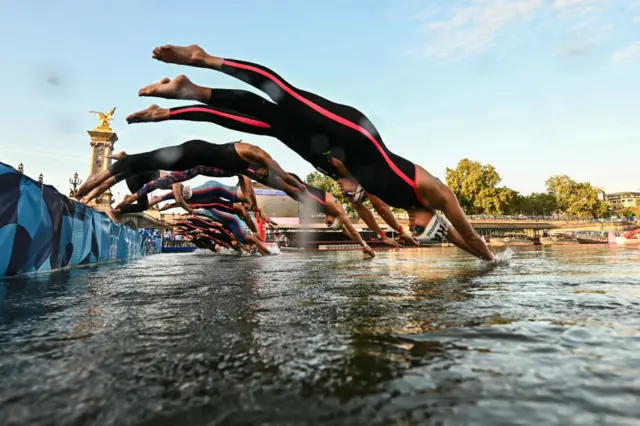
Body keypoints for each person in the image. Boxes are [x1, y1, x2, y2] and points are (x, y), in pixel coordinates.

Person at [130, 44, 493, 261]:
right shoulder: (433, 193)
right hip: (354, 133)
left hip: (329, 156)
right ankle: (203, 58)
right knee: (284, 96)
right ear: (429, 219)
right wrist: (492, 258)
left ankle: (188, 94)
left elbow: (449, 236)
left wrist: (355, 195)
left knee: (263, 120)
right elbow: (468, 233)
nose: (409, 232)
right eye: (418, 230)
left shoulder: (401, 206)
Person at [74, 139, 305, 207]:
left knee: (126, 168)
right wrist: (289, 182)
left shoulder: (251, 171)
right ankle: (79, 195)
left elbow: (277, 181)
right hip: (190, 152)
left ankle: (82, 197)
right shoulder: (250, 154)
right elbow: (273, 166)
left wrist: (292, 189)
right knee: (120, 170)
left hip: (188, 163)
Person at [195, 207, 272, 255]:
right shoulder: (248, 239)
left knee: (214, 218)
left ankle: (204, 208)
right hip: (234, 223)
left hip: (233, 224)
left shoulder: (243, 243)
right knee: (214, 217)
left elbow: (213, 223)